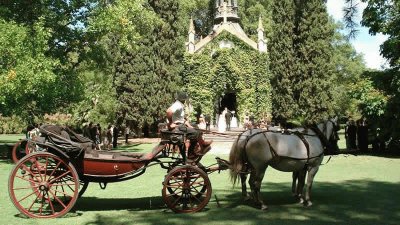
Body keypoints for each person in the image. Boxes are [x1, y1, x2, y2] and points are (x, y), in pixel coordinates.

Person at [166, 91, 212, 159]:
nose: (185, 100)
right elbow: (168, 111)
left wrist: (188, 124)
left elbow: (180, 118)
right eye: (185, 99)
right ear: (183, 99)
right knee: (195, 133)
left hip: (180, 124)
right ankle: (191, 153)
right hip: (178, 127)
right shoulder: (178, 105)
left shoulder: (179, 104)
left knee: (195, 126)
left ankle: (202, 143)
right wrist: (170, 123)